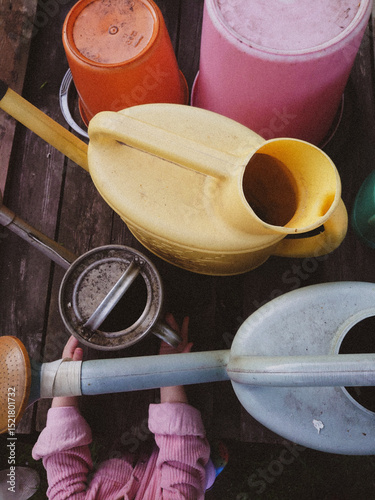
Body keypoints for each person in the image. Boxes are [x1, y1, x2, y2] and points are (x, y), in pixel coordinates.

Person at [32, 314, 216, 499]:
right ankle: (209, 472)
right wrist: (169, 370)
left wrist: (66, 381)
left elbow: (62, 457)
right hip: (170, 465)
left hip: (118, 460)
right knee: (200, 469)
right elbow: (182, 458)